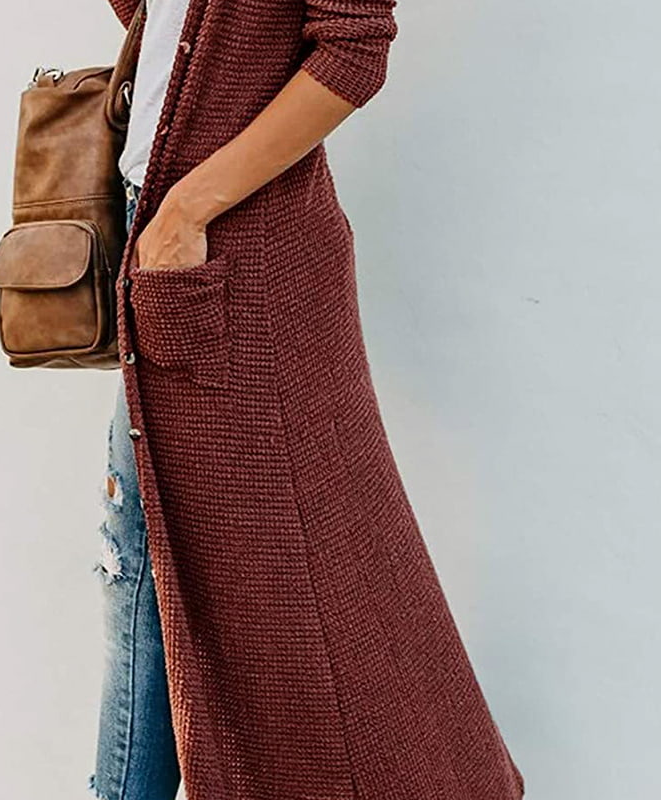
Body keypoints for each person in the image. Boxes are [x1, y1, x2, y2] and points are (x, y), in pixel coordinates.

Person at [89, 1, 525, 799]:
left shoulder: (200, 221)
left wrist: (188, 207)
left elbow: (353, 50)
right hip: (162, 233)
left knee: (153, 565)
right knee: (149, 564)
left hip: (235, 252)